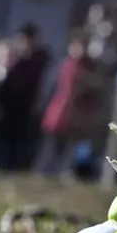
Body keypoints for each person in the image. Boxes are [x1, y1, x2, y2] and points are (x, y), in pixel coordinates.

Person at [37, 32, 102, 180]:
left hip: (76, 116)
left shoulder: (89, 67)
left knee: (71, 146)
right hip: (61, 113)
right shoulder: (69, 66)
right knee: (53, 146)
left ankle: (64, 171)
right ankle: (45, 171)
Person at [0, 23, 50, 170]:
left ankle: (17, 165)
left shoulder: (38, 61)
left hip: (27, 106)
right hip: (9, 104)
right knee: (6, 136)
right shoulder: (13, 59)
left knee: (22, 138)